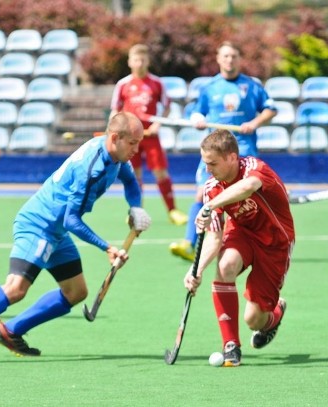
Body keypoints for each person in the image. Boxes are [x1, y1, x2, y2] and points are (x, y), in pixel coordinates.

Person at [0, 112, 152, 365]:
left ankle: (10, 331)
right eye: (133, 143)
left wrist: (135, 207)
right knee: (15, 289)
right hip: (39, 224)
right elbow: (72, 220)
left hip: (56, 230)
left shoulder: (117, 156)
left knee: (75, 291)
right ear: (115, 137)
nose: (137, 148)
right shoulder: (90, 168)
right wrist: (107, 248)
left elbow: (131, 182)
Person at [183, 129, 294, 367]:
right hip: (242, 233)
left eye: (212, 163)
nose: (207, 170)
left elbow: (248, 187)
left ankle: (275, 315)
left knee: (254, 320)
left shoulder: (255, 167)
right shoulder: (212, 187)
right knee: (225, 266)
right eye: (205, 163)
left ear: (232, 157)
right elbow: (213, 238)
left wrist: (211, 205)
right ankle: (230, 345)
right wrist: (197, 270)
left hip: (275, 242)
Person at [170, 41, 277, 261]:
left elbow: (270, 109)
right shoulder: (210, 88)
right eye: (226, 56)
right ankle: (189, 244)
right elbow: (198, 113)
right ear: (218, 59)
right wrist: (198, 120)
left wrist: (255, 123)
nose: (230, 60)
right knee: (202, 193)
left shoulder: (252, 86)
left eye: (234, 56)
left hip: (243, 149)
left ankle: (258, 240)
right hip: (214, 152)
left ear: (239, 59)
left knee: (247, 195)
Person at [110, 44, 188, 226]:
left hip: (151, 136)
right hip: (130, 138)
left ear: (148, 61)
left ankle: (172, 210)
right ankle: (136, 212)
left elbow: (167, 107)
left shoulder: (157, 83)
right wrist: (116, 128)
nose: (139, 63)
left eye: (143, 59)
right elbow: (115, 109)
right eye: (136, 59)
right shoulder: (123, 84)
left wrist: (157, 124)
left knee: (160, 172)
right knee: (134, 175)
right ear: (130, 62)